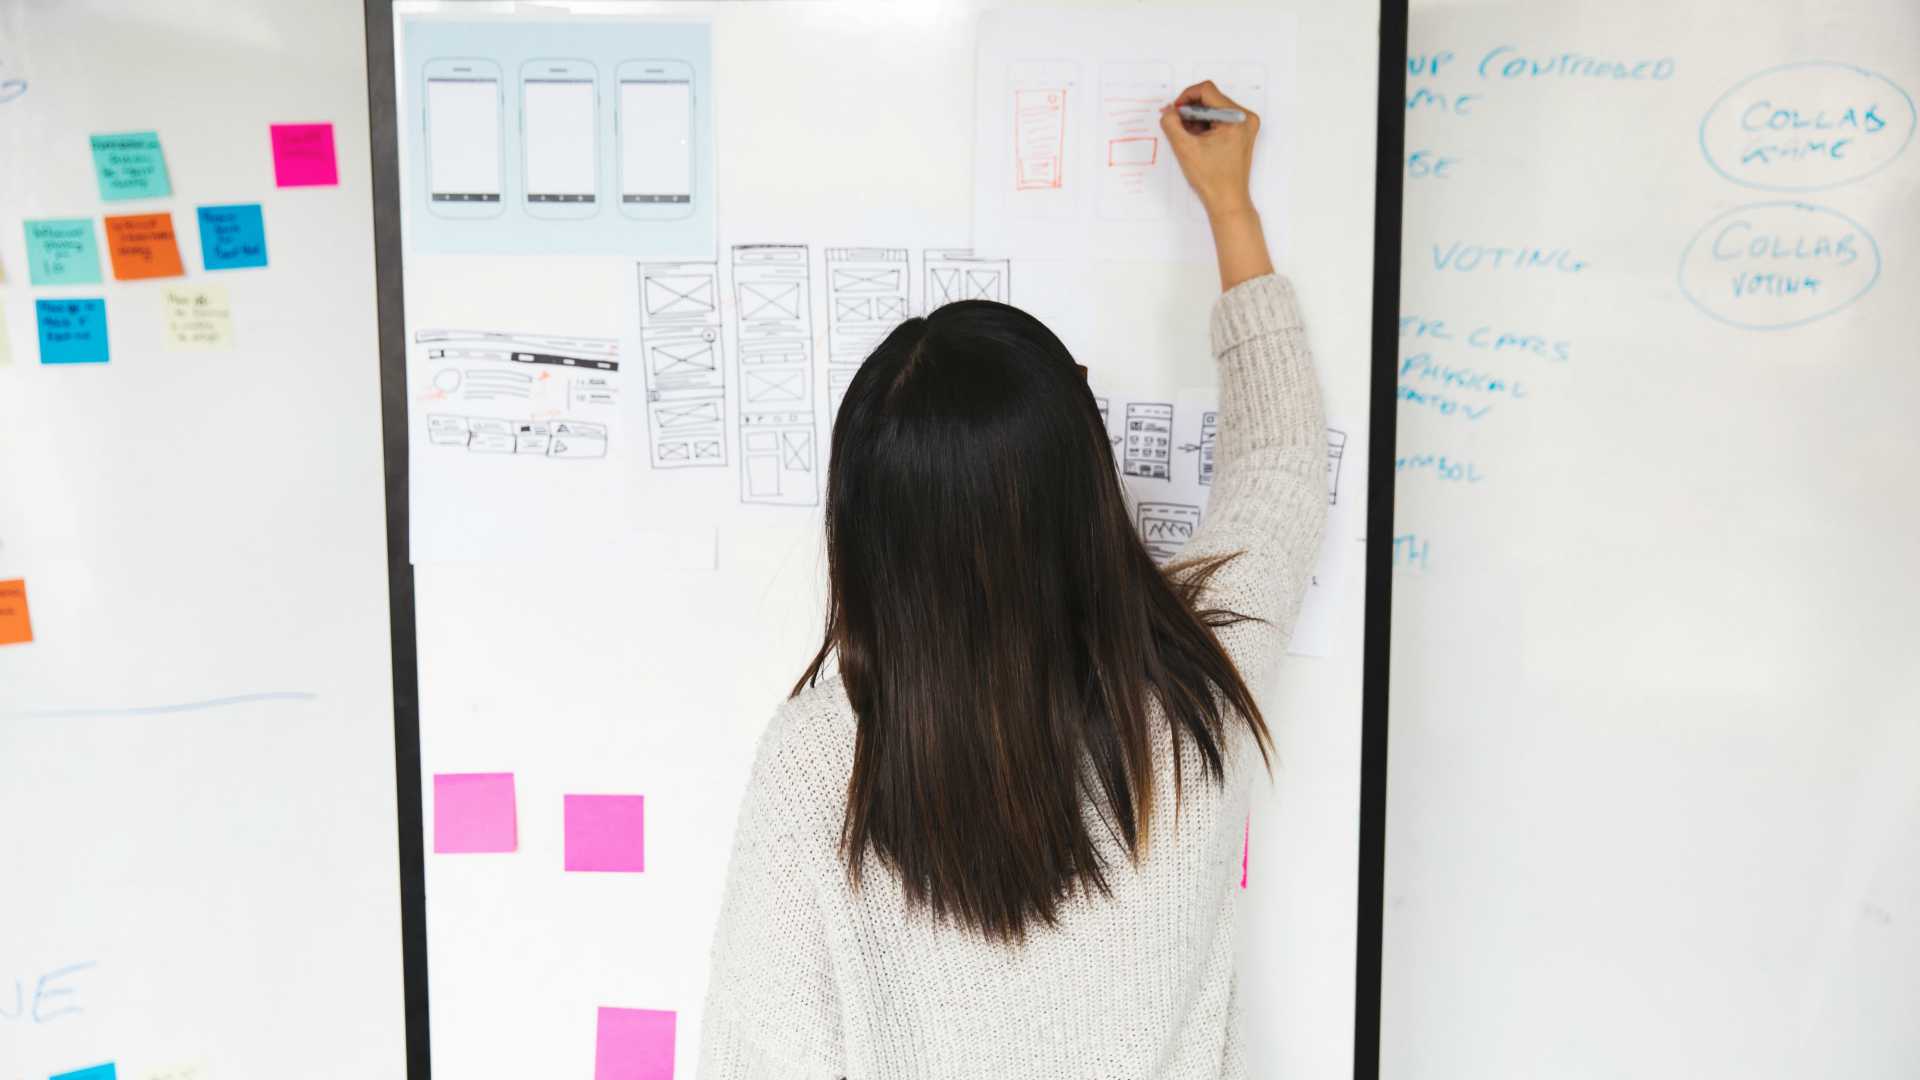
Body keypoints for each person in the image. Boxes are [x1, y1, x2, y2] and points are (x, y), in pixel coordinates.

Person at [697, 79, 1327, 1079]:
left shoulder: (822, 762)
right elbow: (1283, 466)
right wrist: (1230, 208)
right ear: (1084, 489)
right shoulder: (1192, 699)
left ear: (867, 534)